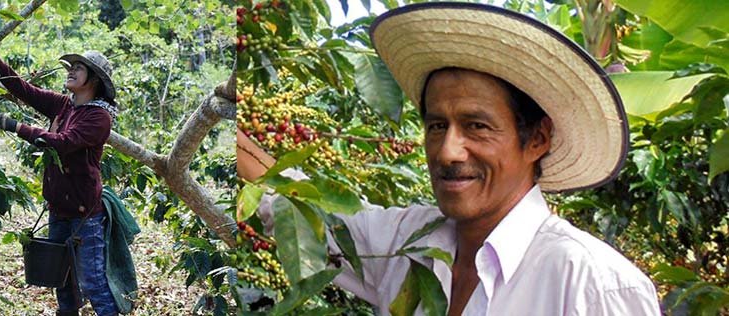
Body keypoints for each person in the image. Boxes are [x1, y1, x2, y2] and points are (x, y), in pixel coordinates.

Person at [236, 3, 658, 315]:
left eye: (477, 126)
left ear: (537, 139)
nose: (448, 151)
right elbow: (298, 206)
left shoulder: (594, 285)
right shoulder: (411, 242)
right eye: (437, 126)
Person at [0, 29, 131, 316]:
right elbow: (23, 89)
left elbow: (64, 143)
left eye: (78, 69)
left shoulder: (98, 117)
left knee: (93, 282)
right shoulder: (65, 105)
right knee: (62, 279)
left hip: (85, 215)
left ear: (93, 80)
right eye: (71, 68)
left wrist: (17, 127)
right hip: (59, 208)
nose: (70, 72)